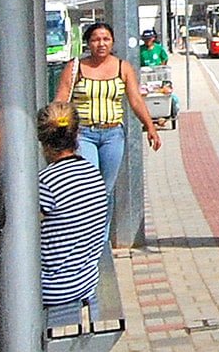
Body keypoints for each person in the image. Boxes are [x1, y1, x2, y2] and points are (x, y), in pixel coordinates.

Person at [54, 21, 162, 203]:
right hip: (83, 134)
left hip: (113, 134)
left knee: (106, 190)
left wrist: (150, 127)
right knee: (90, 186)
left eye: (106, 39)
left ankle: (103, 223)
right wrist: (60, 130)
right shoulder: (75, 68)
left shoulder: (123, 67)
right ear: (88, 43)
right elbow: (61, 101)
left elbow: (136, 100)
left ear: (112, 42)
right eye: (96, 40)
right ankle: (87, 221)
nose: (101, 44)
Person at [32, 103, 110, 328]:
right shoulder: (93, 174)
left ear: (42, 140)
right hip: (85, 281)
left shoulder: (45, 183)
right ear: (77, 134)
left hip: (52, 289)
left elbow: (21, 234)